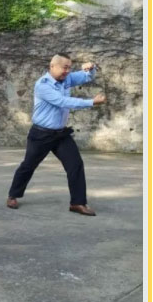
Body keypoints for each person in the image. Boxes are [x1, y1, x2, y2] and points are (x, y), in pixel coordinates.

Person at [7, 56, 105, 215]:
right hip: (41, 134)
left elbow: (86, 77)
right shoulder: (43, 85)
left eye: (69, 67)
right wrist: (91, 102)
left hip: (60, 134)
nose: (67, 71)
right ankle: (13, 195)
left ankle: (77, 203)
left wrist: (91, 67)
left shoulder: (66, 78)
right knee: (28, 166)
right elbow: (62, 101)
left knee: (75, 165)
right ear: (52, 66)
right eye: (64, 67)